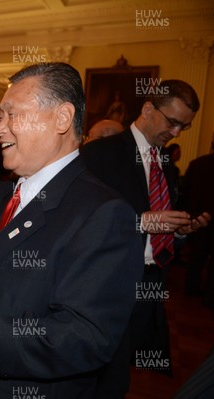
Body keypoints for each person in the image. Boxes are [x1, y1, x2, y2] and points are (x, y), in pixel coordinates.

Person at [0, 63, 144, 398]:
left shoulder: (104, 213)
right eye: (0, 116)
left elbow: (84, 339)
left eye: (11, 115)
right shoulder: (1, 194)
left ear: (62, 118)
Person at [81, 79, 210, 396]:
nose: (177, 133)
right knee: (93, 376)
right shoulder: (99, 154)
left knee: (119, 373)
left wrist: (178, 231)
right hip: (105, 286)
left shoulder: (166, 164)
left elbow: (158, 222)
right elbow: (78, 220)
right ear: (148, 108)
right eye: (173, 122)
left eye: (185, 127)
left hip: (150, 284)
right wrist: (139, 222)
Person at [182, 145, 214, 299]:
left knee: (196, 256)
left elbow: (185, 191)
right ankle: (209, 295)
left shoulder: (197, 163)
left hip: (197, 218)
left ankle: (190, 288)